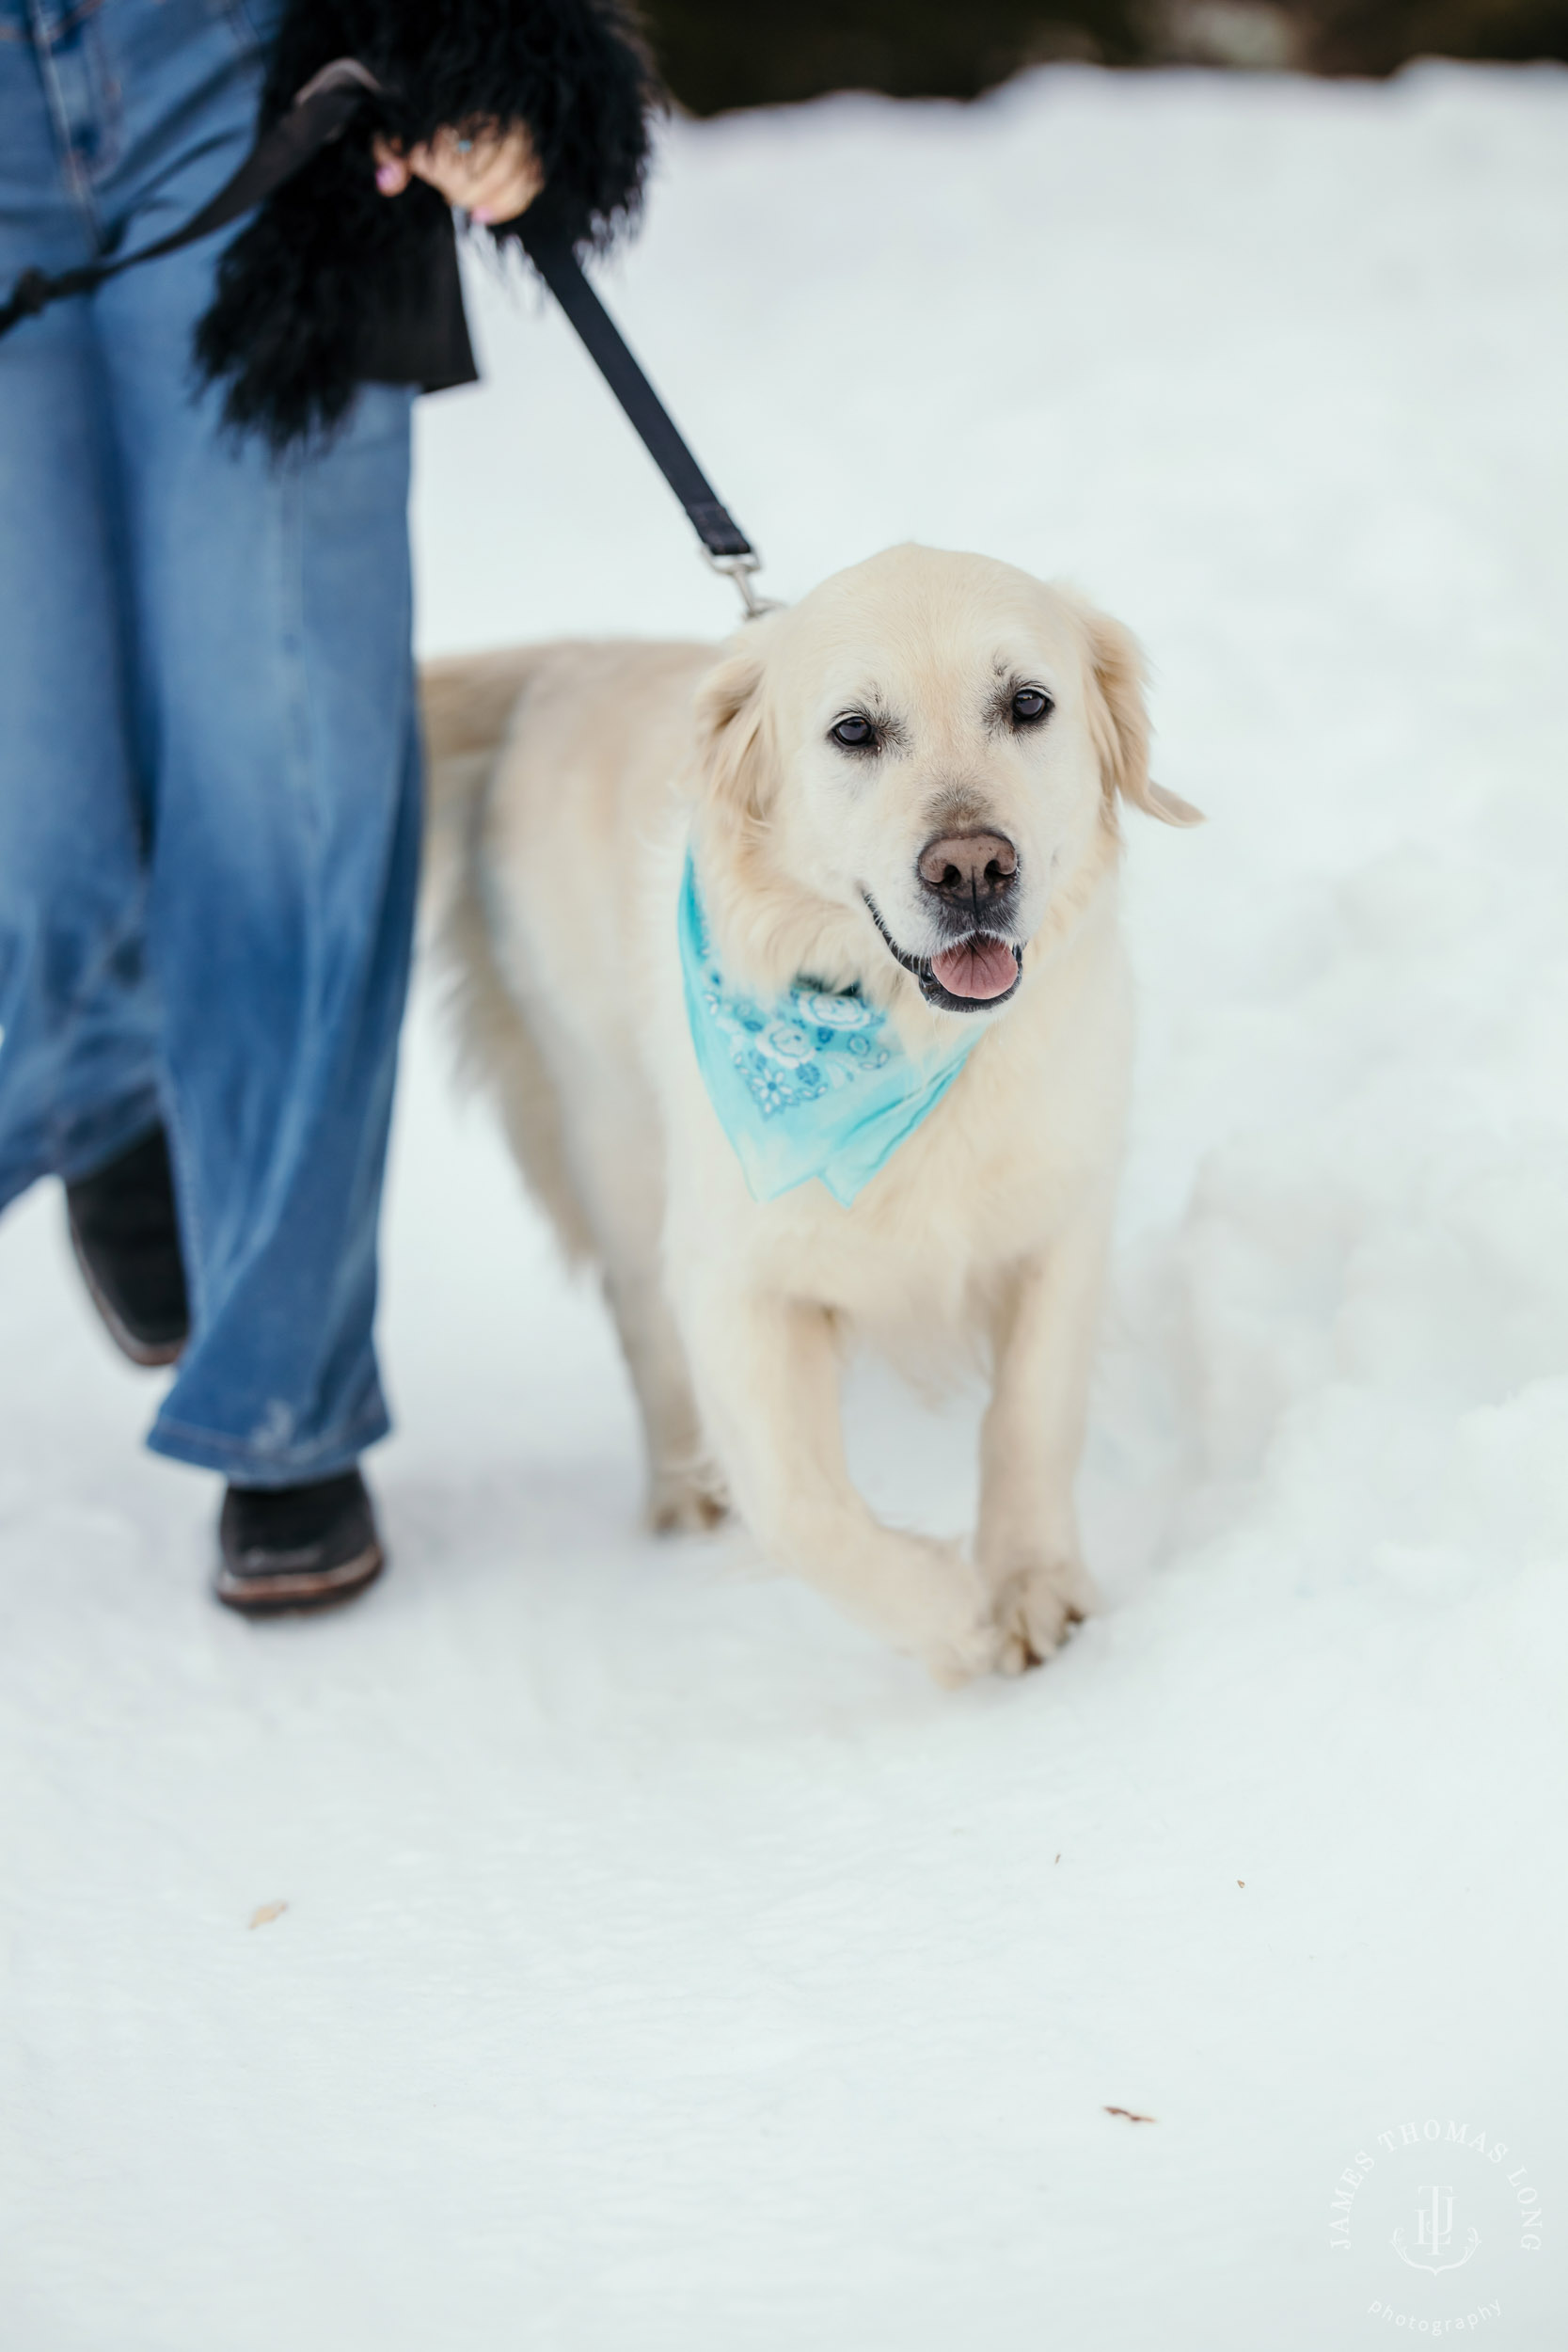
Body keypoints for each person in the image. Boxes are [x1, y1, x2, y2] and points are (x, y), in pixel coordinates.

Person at [0, 0, 652, 1611]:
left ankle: (282, 1395)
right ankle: (108, 1083)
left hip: (231, 76)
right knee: (36, 815)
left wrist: (496, 44)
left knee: (278, 774)